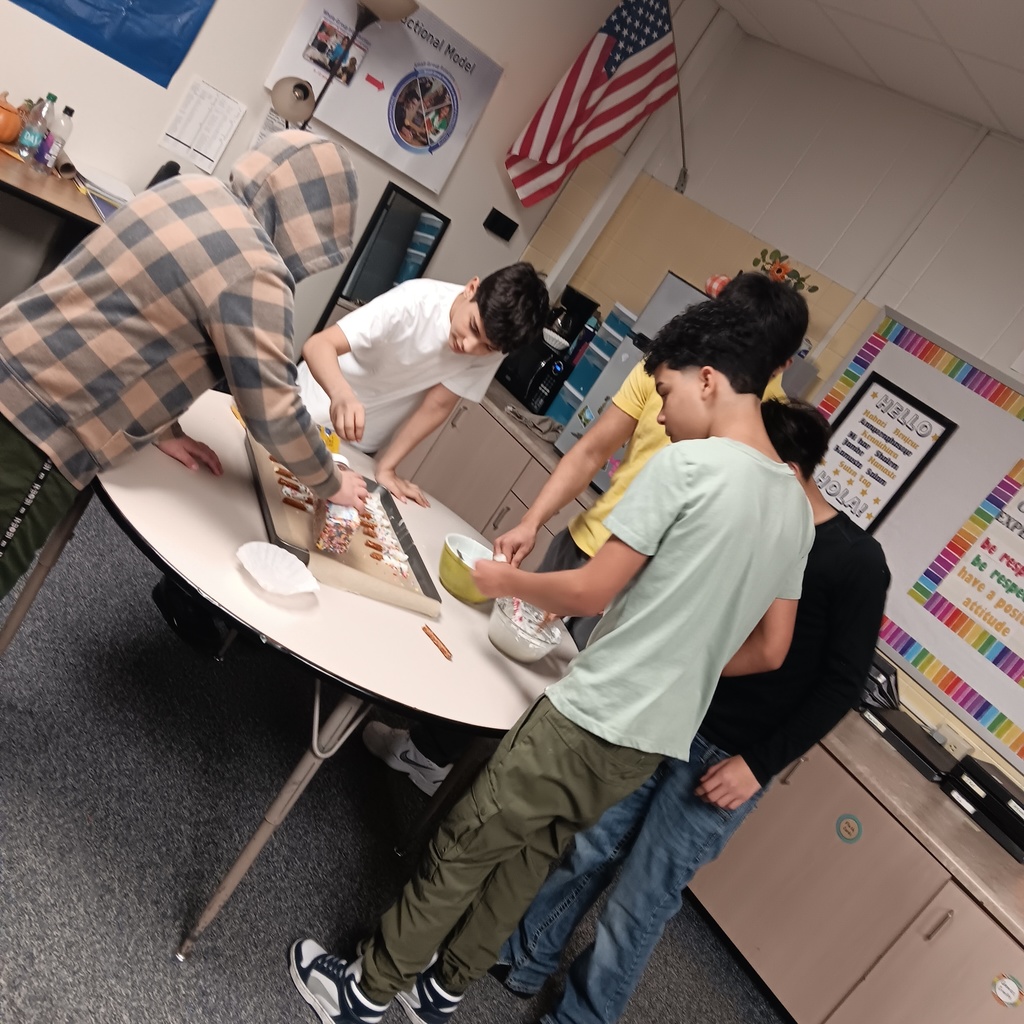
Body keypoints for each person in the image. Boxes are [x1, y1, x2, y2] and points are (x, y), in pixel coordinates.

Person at [287, 297, 815, 1024]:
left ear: (709, 379)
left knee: (470, 844)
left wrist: (504, 581)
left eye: (664, 394)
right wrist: (681, 660)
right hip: (651, 741)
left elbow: (592, 587)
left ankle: (364, 991)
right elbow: (771, 648)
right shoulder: (792, 502)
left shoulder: (691, 467)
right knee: (531, 857)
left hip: (592, 716)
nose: (660, 417)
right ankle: (440, 992)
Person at [490, 399, 891, 1024]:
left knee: (641, 899)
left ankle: (580, 1016)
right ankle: (524, 955)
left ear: (784, 469)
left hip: (731, 755)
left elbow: (840, 682)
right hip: (669, 719)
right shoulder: (748, 522)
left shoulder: (857, 561)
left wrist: (756, 766)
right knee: (588, 844)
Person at [361, 272, 808, 794]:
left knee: (554, 705)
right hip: (585, 545)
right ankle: (433, 754)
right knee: (502, 657)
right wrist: (532, 520)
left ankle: (484, 790)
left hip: (637, 591)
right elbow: (592, 449)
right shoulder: (674, 369)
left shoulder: (766, 426)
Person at [0, 130, 367, 602]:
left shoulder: (193, 190)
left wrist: (164, 430)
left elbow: (144, 318)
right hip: (44, 424)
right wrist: (331, 483)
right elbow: (273, 411)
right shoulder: (256, 269)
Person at [297, 262, 549, 505]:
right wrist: (341, 394)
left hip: (361, 444)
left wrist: (387, 467)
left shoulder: (492, 348)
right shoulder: (414, 301)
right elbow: (319, 344)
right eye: (472, 327)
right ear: (472, 288)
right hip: (308, 410)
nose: (470, 346)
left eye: (488, 346)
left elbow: (437, 406)